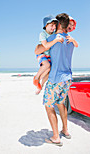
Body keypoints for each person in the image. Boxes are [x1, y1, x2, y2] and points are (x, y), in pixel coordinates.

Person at [35, 13, 77, 146]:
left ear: (58, 24)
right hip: (67, 79)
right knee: (61, 103)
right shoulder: (70, 40)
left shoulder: (53, 38)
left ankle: (55, 137)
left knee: (49, 106)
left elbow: (37, 50)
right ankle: (65, 130)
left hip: (55, 79)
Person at [34, 16, 78, 95]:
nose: (70, 26)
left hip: (59, 78)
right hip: (59, 78)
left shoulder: (69, 39)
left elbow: (37, 50)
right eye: (68, 24)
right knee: (55, 105)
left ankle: (39, 83)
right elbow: (38, 50)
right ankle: (38, 81)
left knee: (52, 106)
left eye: (72, 25)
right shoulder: (54, 37)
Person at [33, 15, 63, 94]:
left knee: (49, 70)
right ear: (46, 25)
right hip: (42, 53)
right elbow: (46, 45)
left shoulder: (54, 35)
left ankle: (40, 85)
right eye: (51, 25)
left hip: (49, 55)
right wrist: (56, 40)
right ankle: (36, 77)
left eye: (55, 25)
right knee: (46, 65)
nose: (53, 27)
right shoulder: (43, 34)